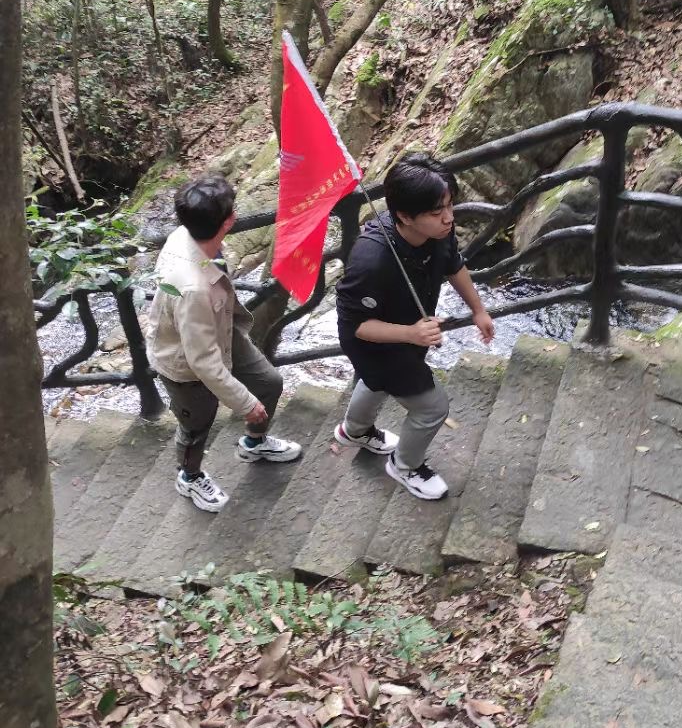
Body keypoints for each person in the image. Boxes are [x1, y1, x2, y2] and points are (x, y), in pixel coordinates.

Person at [334, 152, 494, 501]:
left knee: (373, 383)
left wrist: (478, 309)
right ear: (404, 216)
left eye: (450, 206)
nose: (449, 218)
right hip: (376, 345)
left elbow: (453, 265)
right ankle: (404, 465)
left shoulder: (437, 232)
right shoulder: (371, 260)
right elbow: (355, 325)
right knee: (432, 407)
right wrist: (410, 333)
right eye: (437, 212)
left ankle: (354, 431)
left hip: (409, 333)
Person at [146, 174, 301, 513]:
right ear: (229, 221)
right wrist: (245, 403)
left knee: (269, 383)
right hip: (185, 366)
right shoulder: (193, 288)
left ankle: (254, 442)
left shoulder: (187, 234)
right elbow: (202, 361)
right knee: (196, 426)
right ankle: (189, 476)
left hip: (220, 331)